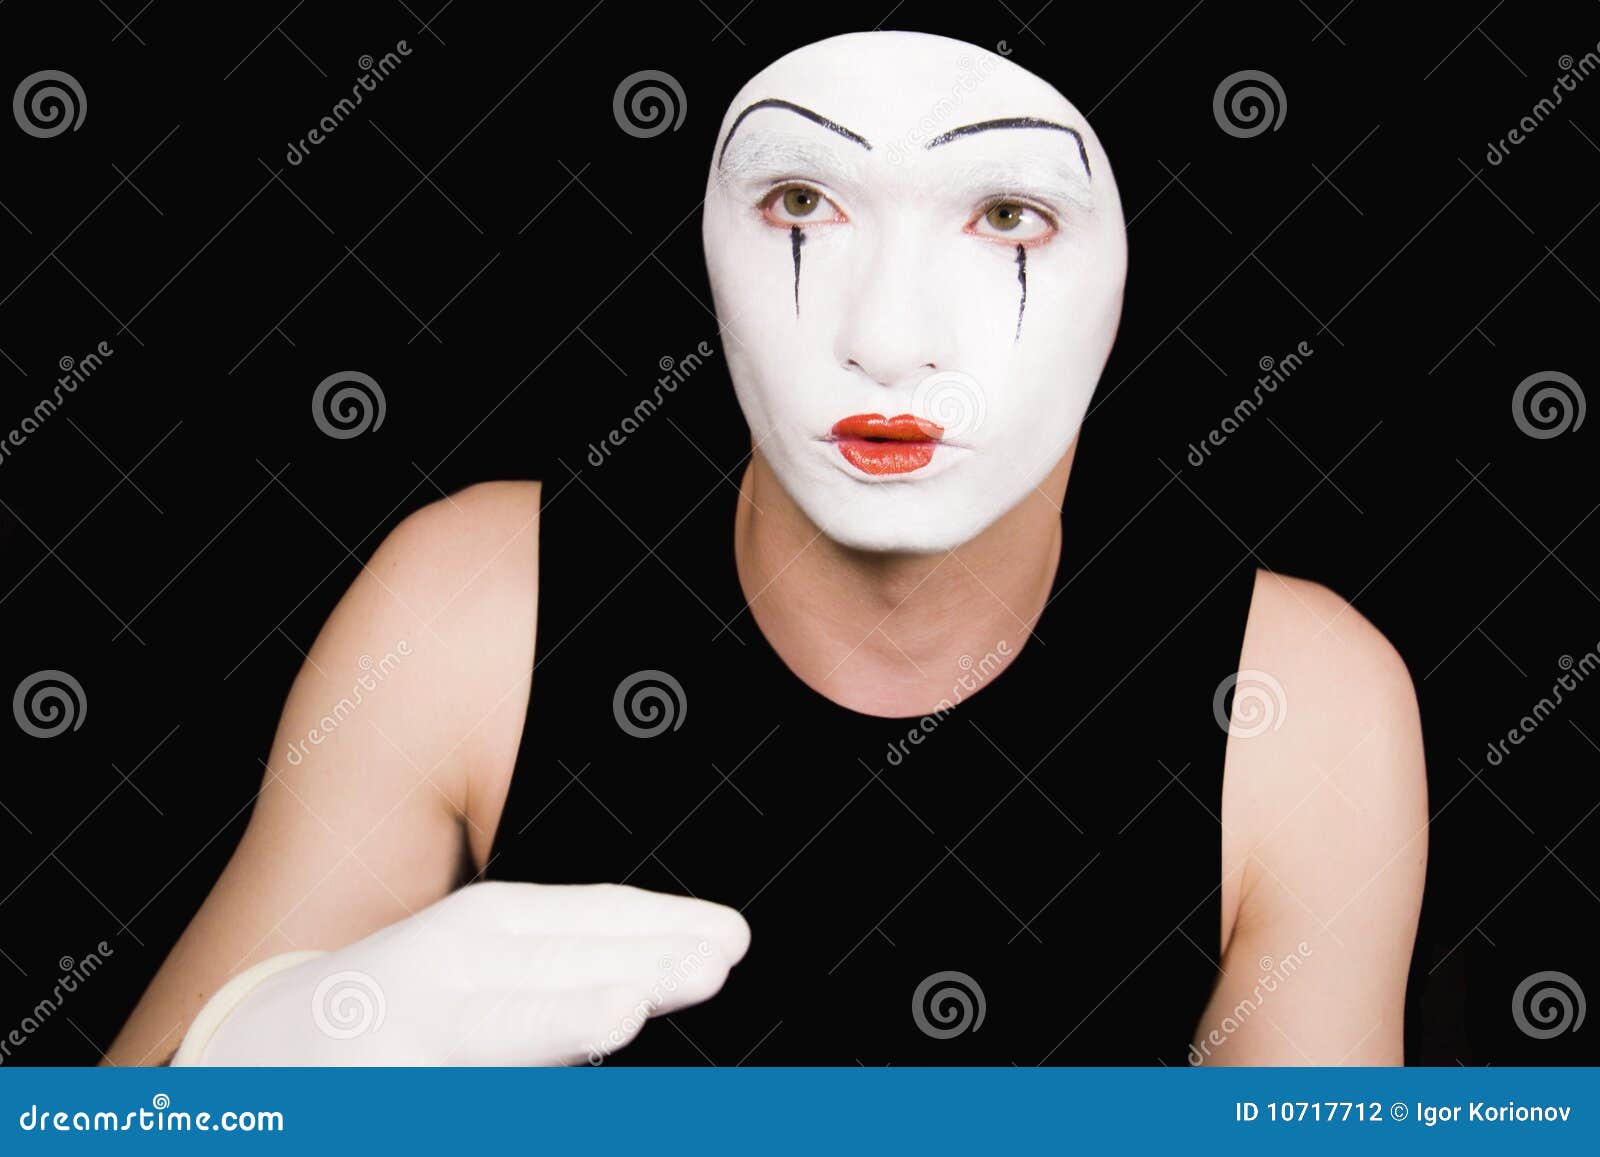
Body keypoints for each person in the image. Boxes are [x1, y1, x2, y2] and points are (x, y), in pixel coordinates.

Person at [106, 31, 1426, 1067]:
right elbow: (114, 1121)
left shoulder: (1298, 704)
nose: (887, 338)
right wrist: (279, 1057)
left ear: (1132, 258)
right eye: (802, 199)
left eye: (1007, 214)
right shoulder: (475, 606)